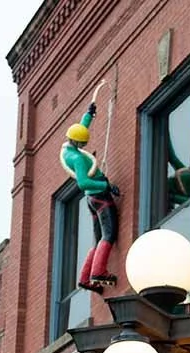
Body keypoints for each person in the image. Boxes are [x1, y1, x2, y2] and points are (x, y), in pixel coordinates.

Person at [59, 80, 120, 294]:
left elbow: (80, 130)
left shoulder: (68, 147)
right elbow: (83, 182)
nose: (85, 146)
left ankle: (85, 277)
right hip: (99, 196)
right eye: (83, 144)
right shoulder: (76, 159)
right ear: (78, 144)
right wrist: (105, 184)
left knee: (97, 237)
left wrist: (89, 114)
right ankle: (98, 272)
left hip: (91, 201)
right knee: (109, 234)